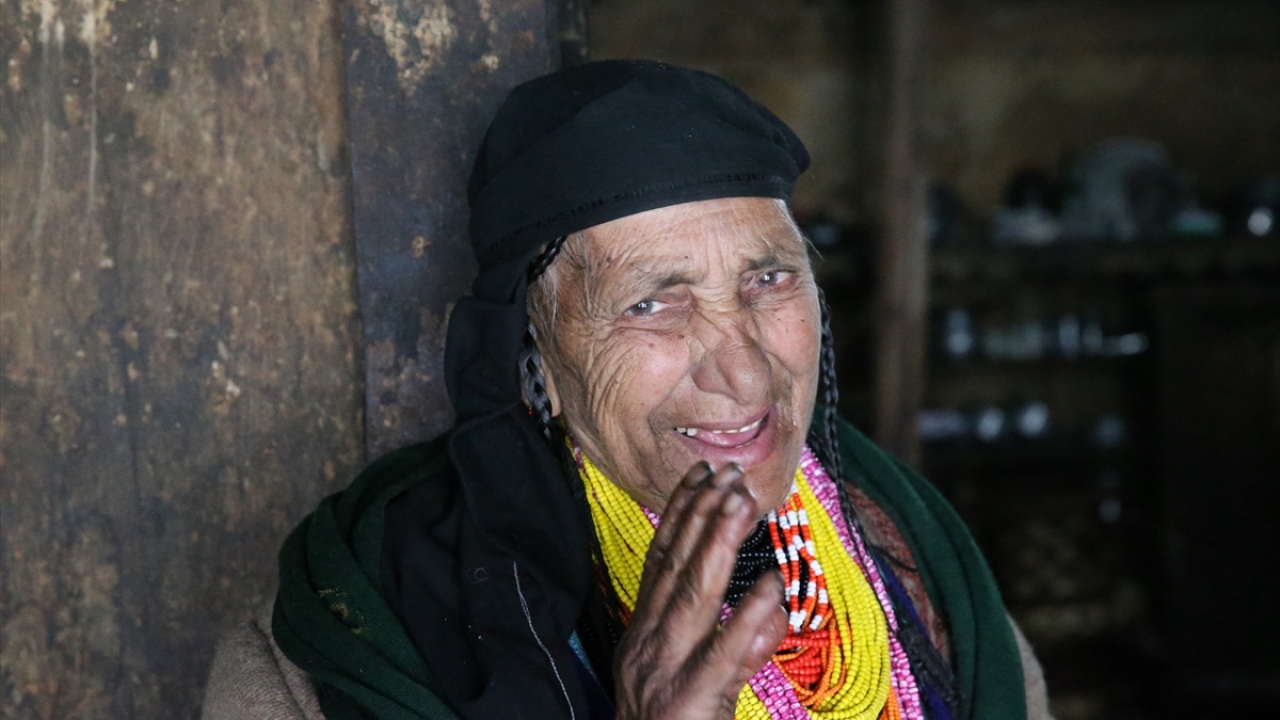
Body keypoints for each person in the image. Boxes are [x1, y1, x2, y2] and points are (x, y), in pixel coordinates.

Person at [202, 60, 1052, 720]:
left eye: (769, 281)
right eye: (652, 303)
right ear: (531, 351)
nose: (747, 371)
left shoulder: (908, 547)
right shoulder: (363, 617)